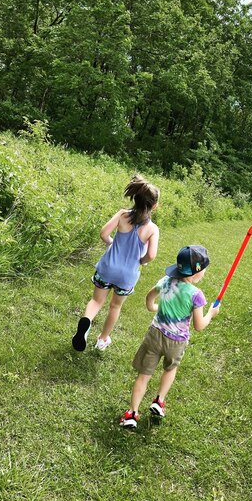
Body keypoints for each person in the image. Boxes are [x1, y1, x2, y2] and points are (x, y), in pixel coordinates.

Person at [119, 245, 220, 428]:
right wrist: (211, 314)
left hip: (155, 335)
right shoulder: (196, 295)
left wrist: (154, 307)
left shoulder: (166, 281)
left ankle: (131, 414)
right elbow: (199, 326)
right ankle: (159, 400)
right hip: (176, 342)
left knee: (144, 375)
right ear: (197, 273)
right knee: (170, 368)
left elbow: (150, 299)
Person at [72, 175, 160, 352]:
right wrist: (140, 261)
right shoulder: (152, 229)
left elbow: (104, 233)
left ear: (135, 198)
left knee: (96, 301)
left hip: (107, 268)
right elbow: (151, 255)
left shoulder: (122, 215)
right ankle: (102, 339)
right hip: (127, 275)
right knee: (115, 306)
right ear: (154, 206)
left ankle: (86, 322)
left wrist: (113, 243)